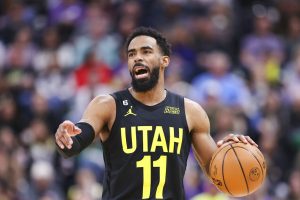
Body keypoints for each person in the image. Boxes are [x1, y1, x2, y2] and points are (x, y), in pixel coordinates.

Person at [55, 27, 257, 200]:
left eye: (146, 51)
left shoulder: (190, 111)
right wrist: (67, 137)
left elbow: (219, 175)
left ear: (164, 61)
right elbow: (78, 138)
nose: (137, 58)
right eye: (132, 54)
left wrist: (233, 153)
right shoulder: (108, 104)